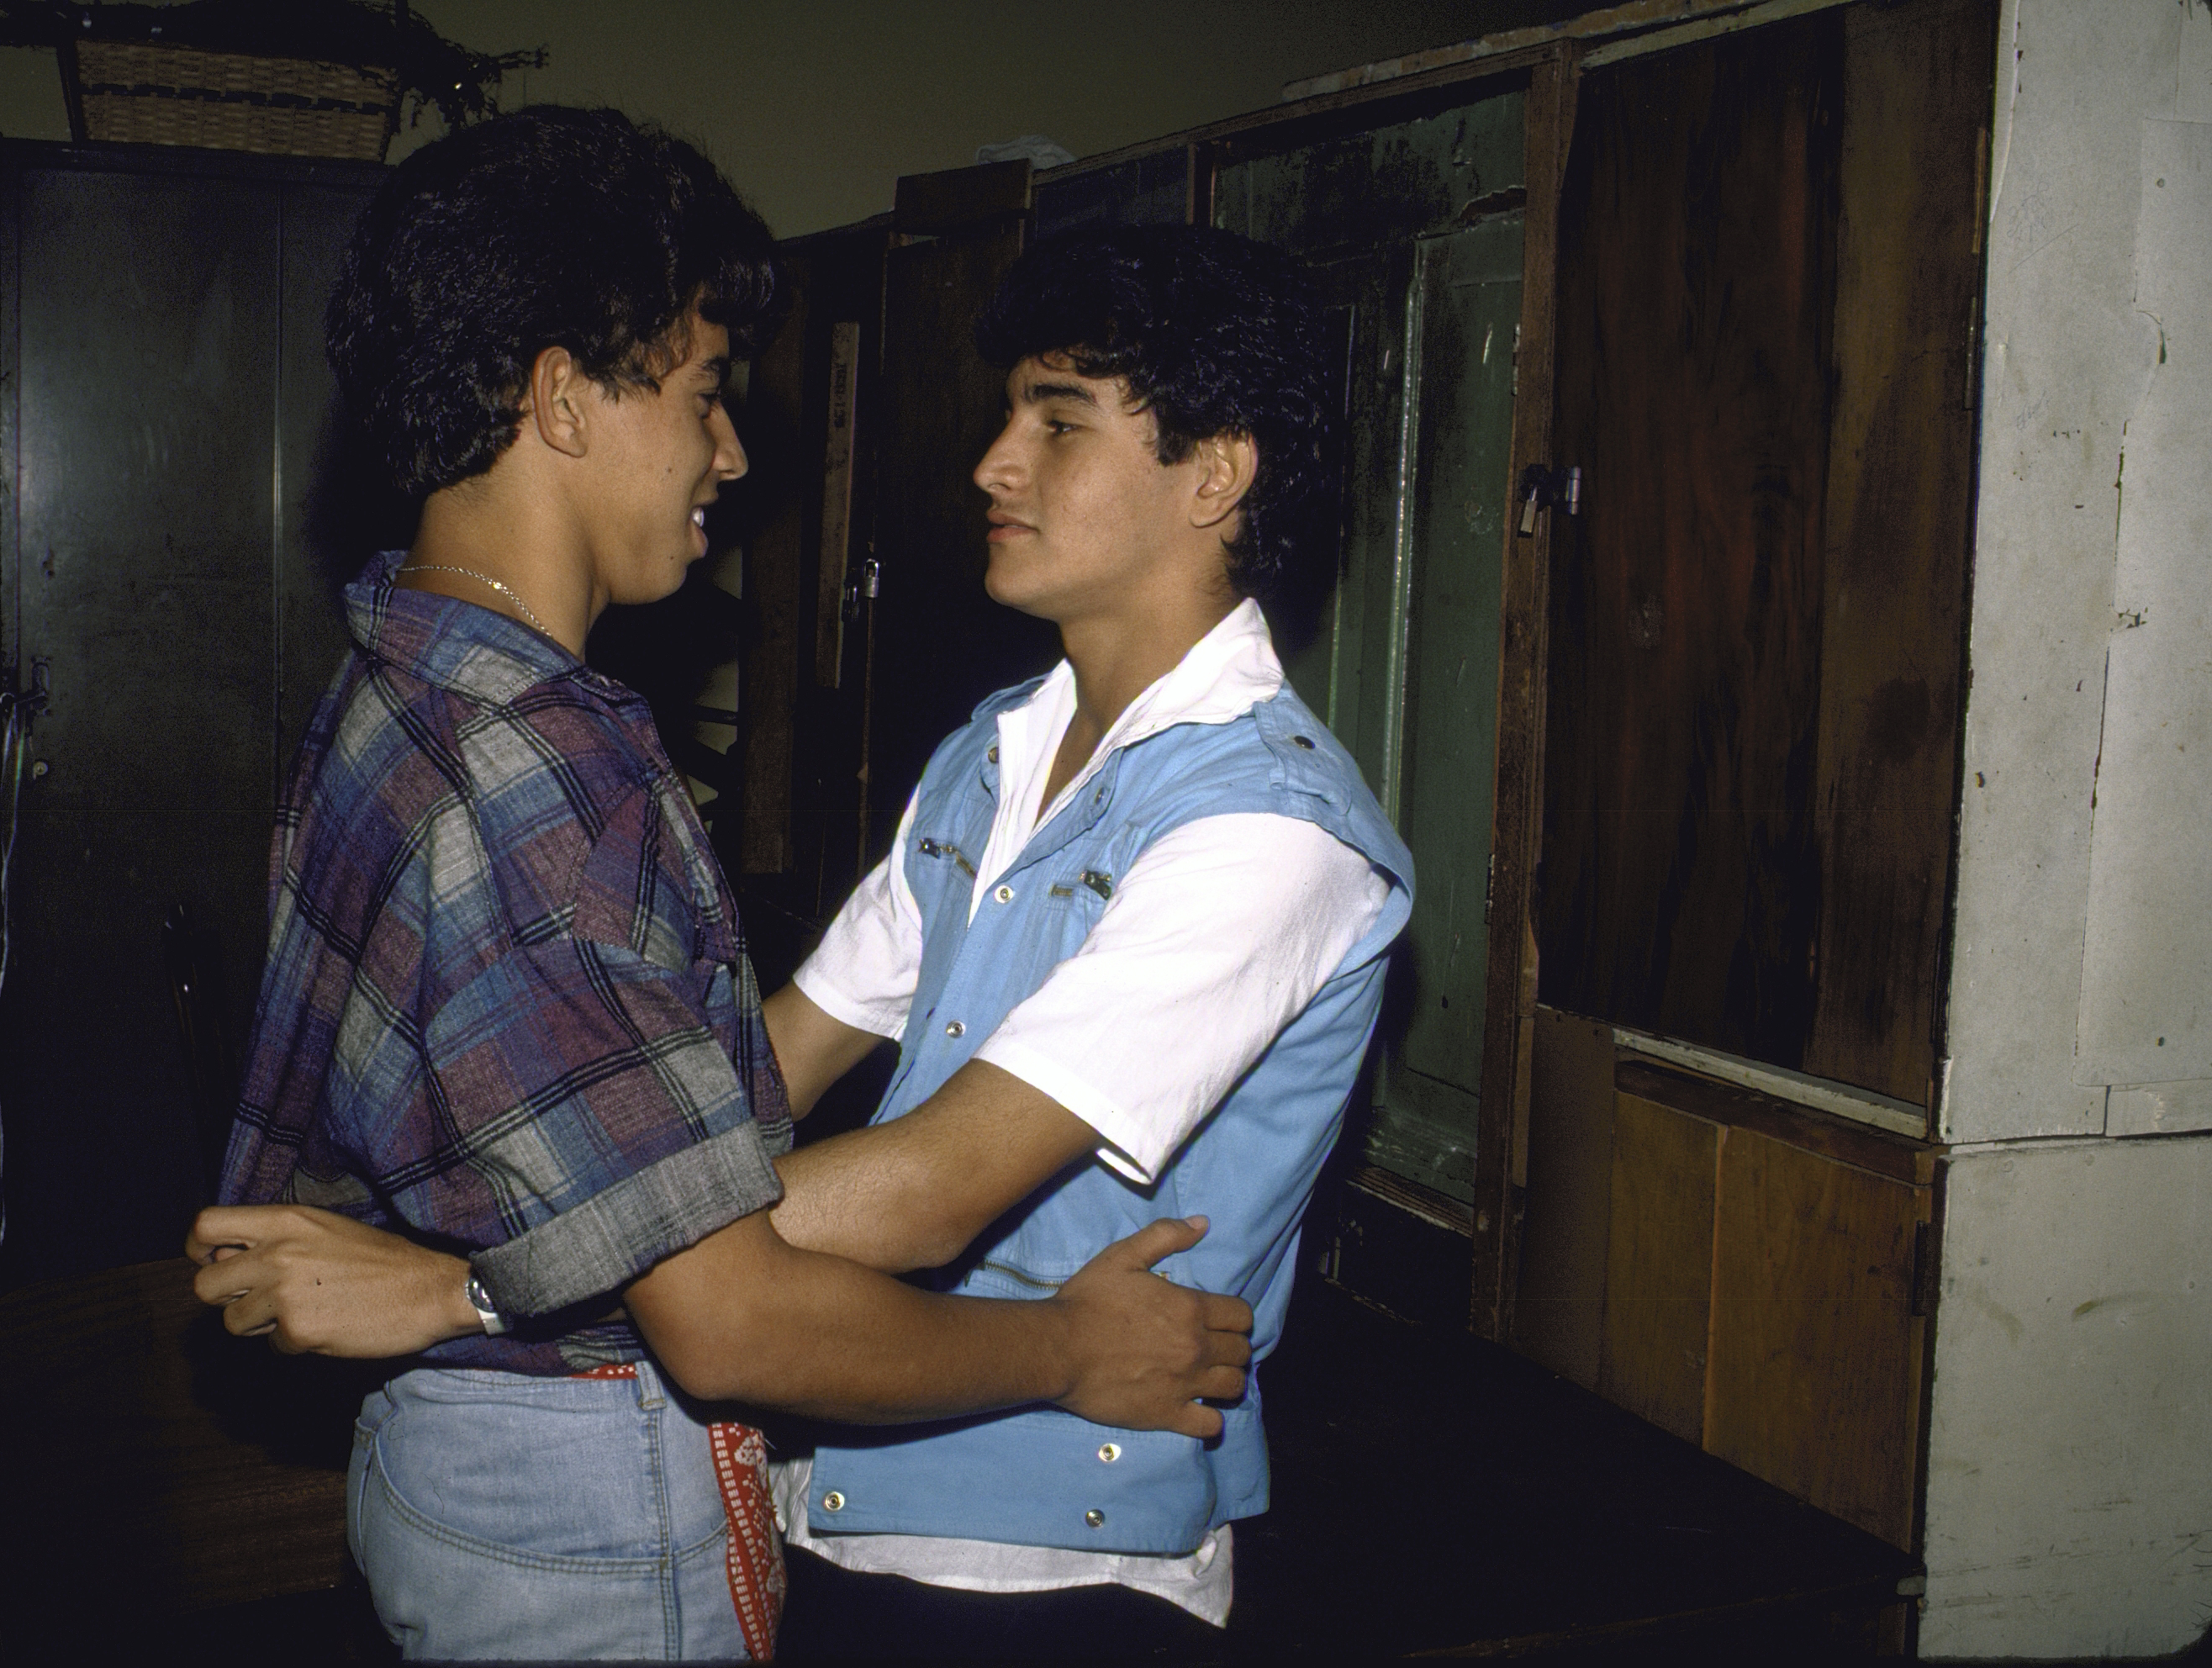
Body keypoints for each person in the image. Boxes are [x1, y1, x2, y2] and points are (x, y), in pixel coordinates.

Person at [188, 109, 1253, 1664]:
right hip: (581, 1504)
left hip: (446, 1461)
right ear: (562, 396)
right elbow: (732, 1314)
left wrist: (451, 1292)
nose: (733, 453)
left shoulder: (395, 674)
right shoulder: (536, 770)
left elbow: (715, 1095)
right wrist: (1066, 1349)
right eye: (701, 395)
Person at [753, 223, 1414, 1658]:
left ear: (1215, 473)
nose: (996, 462)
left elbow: (932, 1194)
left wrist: (507, 1265)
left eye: (1058, 422)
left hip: (1057, 1581)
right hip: (841, 1497)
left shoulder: (1270, 831)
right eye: (1008, 416)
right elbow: (770, 1066)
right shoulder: (995, 753)